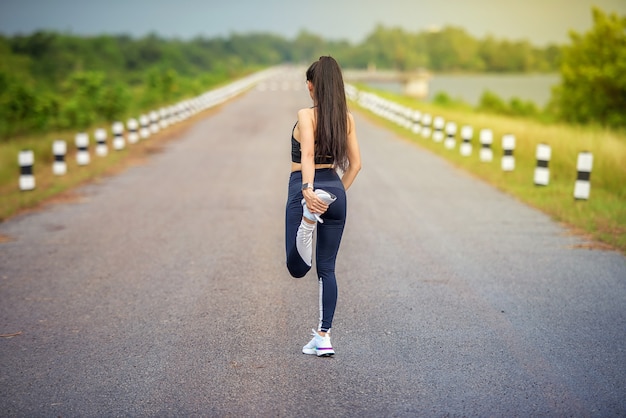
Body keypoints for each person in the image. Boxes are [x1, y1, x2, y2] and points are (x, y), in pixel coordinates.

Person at [285, 56, 362, 357]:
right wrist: (334, 195)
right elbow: (356, 165)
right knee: (326, 268)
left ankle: (307, 221)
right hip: (335, 190)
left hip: (303, 189)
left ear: (311, 86)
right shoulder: (348, 119)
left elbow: (306, 155)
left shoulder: (306, 115)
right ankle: (323, 337)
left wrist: (307, 192)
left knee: (296, 267)